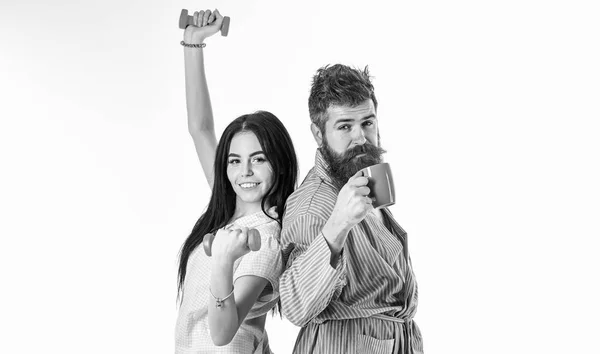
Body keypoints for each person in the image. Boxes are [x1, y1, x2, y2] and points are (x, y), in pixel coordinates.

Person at [174, 9, 298, 353]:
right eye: (234, 161)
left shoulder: (266, 239)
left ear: (280, 164)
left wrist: (224, 261)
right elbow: (199, 128)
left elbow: (223, 332)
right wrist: (193, 43)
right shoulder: (229, 209)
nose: (244, 172)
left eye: (258, 160)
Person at [279, 64, 423, 353]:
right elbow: (294, 306)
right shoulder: (313, 207)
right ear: (318, 134)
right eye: (344, 126)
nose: (360, 137)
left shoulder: (361, 179)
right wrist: (337, 226)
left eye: (367, 123)